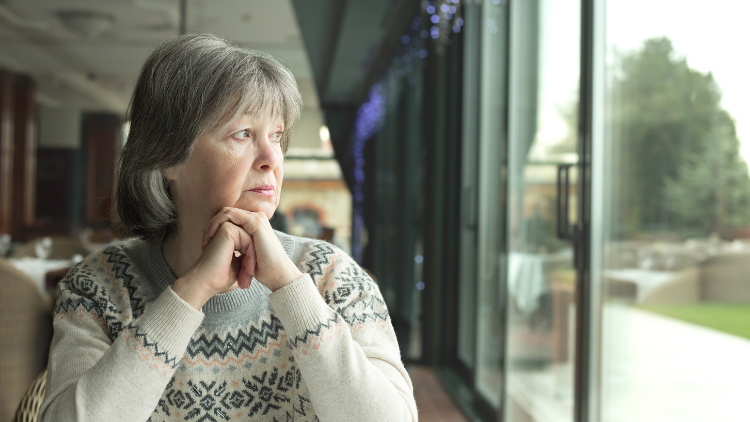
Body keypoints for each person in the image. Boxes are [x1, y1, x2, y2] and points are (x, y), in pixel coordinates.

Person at [39, 34, 418, 422]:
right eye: (243, 134)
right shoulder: (97, 286)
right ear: (168, 158)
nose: (272, 158)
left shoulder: (332, 276)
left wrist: (291, 289)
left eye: (276, 135)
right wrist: (190, 293)